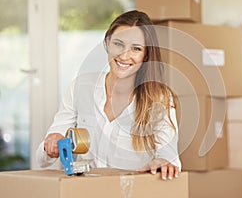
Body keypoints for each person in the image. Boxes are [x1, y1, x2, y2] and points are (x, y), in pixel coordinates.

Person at [36, 10, 181, 180]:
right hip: (85, 191)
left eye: (136, 48)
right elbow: (42, 158)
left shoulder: (159, 98)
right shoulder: (80, 87)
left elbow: (169, 156)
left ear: (146, 55)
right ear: (107, 43)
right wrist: (51, 143)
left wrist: (162, 162)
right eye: (118, 44)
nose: (124, 55)